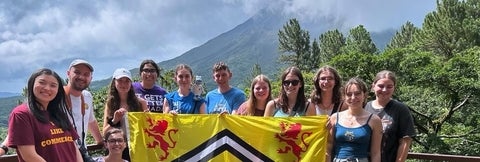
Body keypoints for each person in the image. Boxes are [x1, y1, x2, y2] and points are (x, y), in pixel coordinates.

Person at [7, 68, 82, 162]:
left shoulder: (59, 114)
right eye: (42, 82)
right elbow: (29, 156)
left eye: (53, 85)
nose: (47, 88)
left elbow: (73, 146)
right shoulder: (21, 114)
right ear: (32, 84)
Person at [326, 77, 382, 162]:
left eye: (357, 93)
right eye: (349, 94)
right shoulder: (335, 118)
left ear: (365, 95)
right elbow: (328, 148)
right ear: (344, 97)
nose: (353, 97)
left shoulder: (374, 120)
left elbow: (376, 153)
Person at [364, 70, 416, 162]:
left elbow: (405, 141)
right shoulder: (365, 107)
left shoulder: (400, 109)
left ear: (394, 88)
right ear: (373, 86)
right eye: (380, 86)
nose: (384, 90)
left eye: (389, 87)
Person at [103, 68, 148, 161]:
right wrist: (114, 121)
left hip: (137, 148)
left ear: (131, 84)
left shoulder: (141, 103)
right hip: (116, 149)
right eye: (120, 81)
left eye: (127, 81)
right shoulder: (110, 104)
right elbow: (104, 132)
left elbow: (148, 129)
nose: (123, 84)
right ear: (114, 83)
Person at [66, 59, 103, 150]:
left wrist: (101, 141)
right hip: (62, 154)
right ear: (68, 73)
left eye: (86, 74)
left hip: (81, 152)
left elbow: (91, 121)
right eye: (77, 72)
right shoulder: (56, 96)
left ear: (91, 78)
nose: (81, 77)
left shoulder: (87, 96)